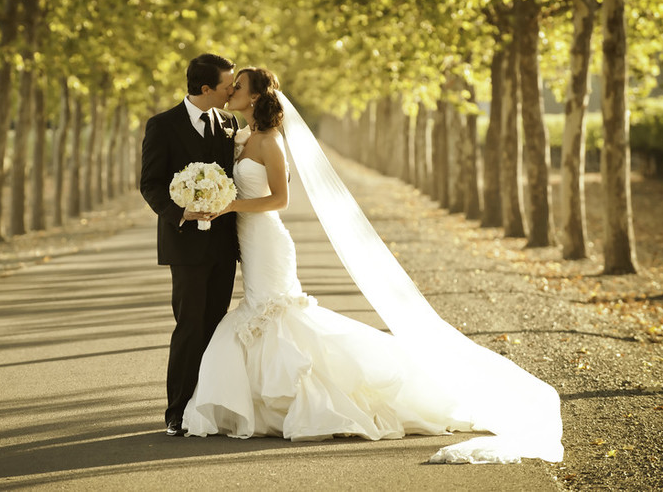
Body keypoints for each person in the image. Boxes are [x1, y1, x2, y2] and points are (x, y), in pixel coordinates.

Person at [181, 67, 565, 464]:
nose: (231, 92)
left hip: (267, 240)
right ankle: (268, 404)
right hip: (247, 239)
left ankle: (312, 401)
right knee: (263, 316)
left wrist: (230, 205)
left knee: (274, 314)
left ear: (256, 96)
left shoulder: (269, 143)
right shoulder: (242, 136)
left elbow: (281, 200)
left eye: (238, 87)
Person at [139, 53, 241, 437]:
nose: (232, 90)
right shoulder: (162, 126)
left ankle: (208, 406)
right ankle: (177, 411)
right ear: (205, 89)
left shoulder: (230, 123)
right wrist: (182, 211)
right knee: (189, 325)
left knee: (216, 326)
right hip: (184, 245)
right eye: (227, 85)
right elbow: (150, 183)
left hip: (223, 246)